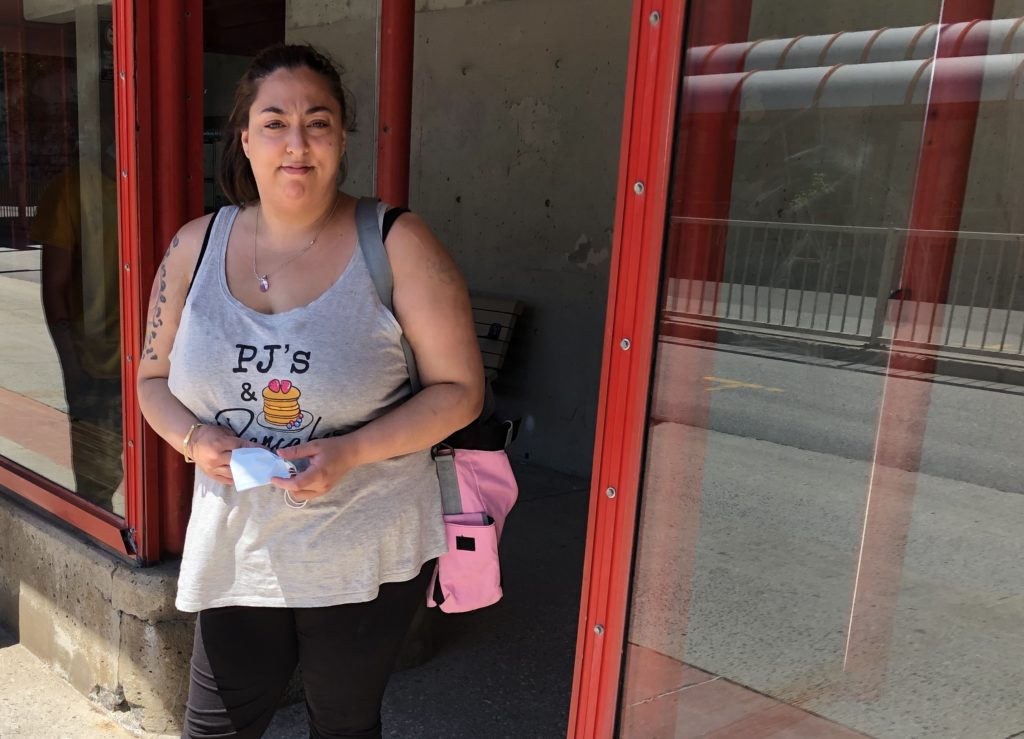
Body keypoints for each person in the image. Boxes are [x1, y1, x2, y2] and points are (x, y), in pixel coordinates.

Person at [136, 44, 484, 738]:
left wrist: (350, 451)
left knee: (344, 725)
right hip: (239, 546)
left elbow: (461, 391)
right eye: (274, 122)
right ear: (243, 137)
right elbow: (150, 379)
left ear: (342, 137)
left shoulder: (397, 243)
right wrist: (195, 436)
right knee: (215, 728)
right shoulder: (193, 248)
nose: (296, 144)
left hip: (364, 549)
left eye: (317, 122)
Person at [32, 133, 124, 512]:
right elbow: (54, 287)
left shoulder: (144, 181)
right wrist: (71, 364)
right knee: (98, 483)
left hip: (161, 357)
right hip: (96, 363)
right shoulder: (70, 190)